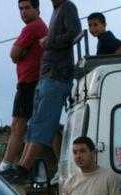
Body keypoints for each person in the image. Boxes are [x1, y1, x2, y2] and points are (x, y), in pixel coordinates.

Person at [16, 0, 82, 177]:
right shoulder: (56, 10)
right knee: (36, 123)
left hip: (57, 76)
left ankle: (24, 169)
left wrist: (49, 40)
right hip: (46, 75)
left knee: (44, 123)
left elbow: (74, 33)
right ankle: (21, 165)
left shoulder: (68, 6)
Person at [0, 0, 49, 175]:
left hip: (29, 82)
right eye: (21, 9)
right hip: (35, 81)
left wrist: (20, 54)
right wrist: (19, 54)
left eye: (27, 8)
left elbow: (13, 53)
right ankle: (18, 164)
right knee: (38, 124)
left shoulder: (32, 27)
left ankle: (6, 164)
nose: (23, 12)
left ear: (37, 9)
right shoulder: (39, 27)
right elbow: (16, 55)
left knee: (18, 124)